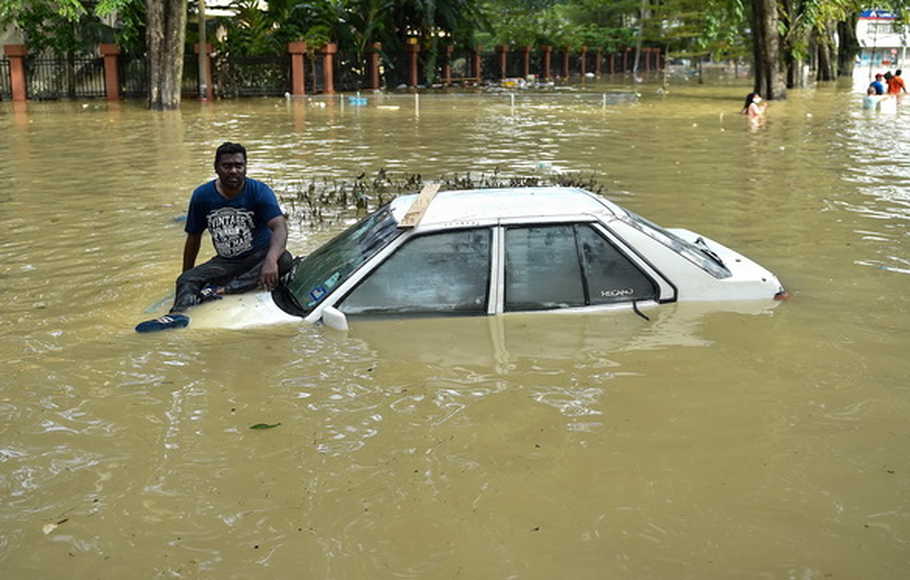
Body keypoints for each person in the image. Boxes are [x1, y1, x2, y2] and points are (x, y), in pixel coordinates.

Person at [136, 142, 292, 332]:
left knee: (284, 260)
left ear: (245, 167)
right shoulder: (202, 196)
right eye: (227, 166)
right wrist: (187, 275)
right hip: (226, 262)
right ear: (216, 168)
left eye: (239, 165)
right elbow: (193, 238)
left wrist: (270, 260)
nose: (233, 170)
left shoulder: (259, 191)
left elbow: (280, 227)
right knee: (186, 280)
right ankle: (175, 316)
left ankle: (220, 290)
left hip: (258, 258)